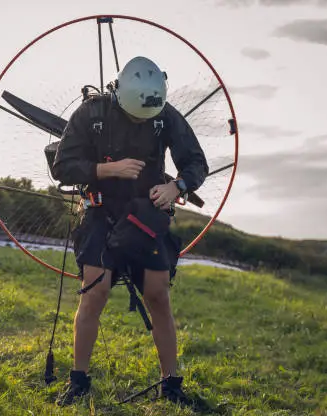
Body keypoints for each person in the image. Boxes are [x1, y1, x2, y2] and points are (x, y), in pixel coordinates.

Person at [51, 56, 209, 406]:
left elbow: (197, 162)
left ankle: (172, 384)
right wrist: (106, 170)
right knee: (95, 292)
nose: (142, 121)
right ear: (121, 95)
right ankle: (79, 381)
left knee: (158, 295)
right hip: (100, 213)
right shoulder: (92, 114)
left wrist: (177, 187)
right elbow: (62, 167)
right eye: (136, 115)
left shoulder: (165, 114)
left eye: (147, 116)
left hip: (146, 216)